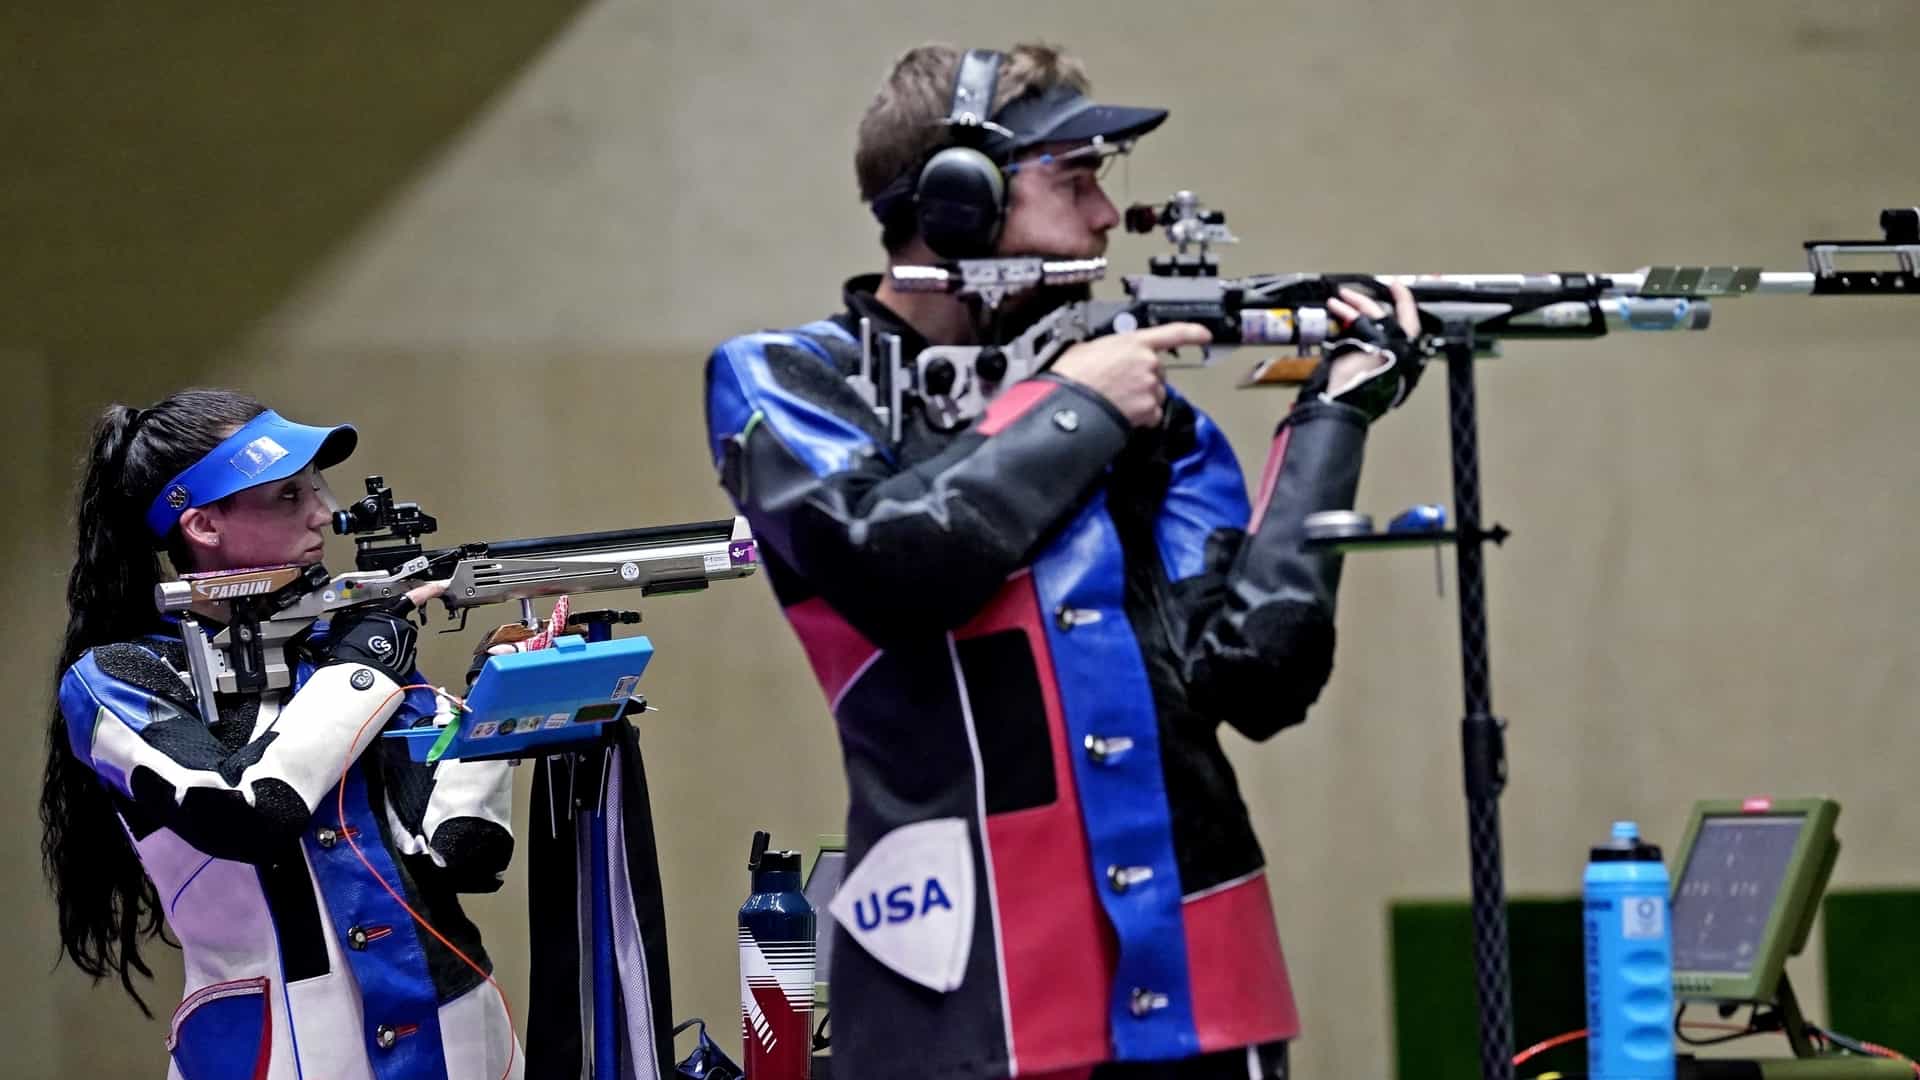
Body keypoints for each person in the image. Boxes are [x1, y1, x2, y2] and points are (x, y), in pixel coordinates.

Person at [705, 42, 1429, 1080]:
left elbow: (1256, 676)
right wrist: (1077, 406)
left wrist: (1333, 420)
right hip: (963, 986)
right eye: (1075, 180)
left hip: (1200, 983)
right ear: (958, 202)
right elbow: (896, 569)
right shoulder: (786, 381)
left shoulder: (1150, 421)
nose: (1103, 219)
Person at [40, 388, 522, 1079]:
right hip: (278, 1050)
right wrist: (365, 667)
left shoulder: (336, 650)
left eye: (316, 489)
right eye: (288, 497)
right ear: (203, 526)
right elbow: (247, 810)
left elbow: (465, 852)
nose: (326, 513)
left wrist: (493, 709)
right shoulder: (120, 677)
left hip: (461, 1037)